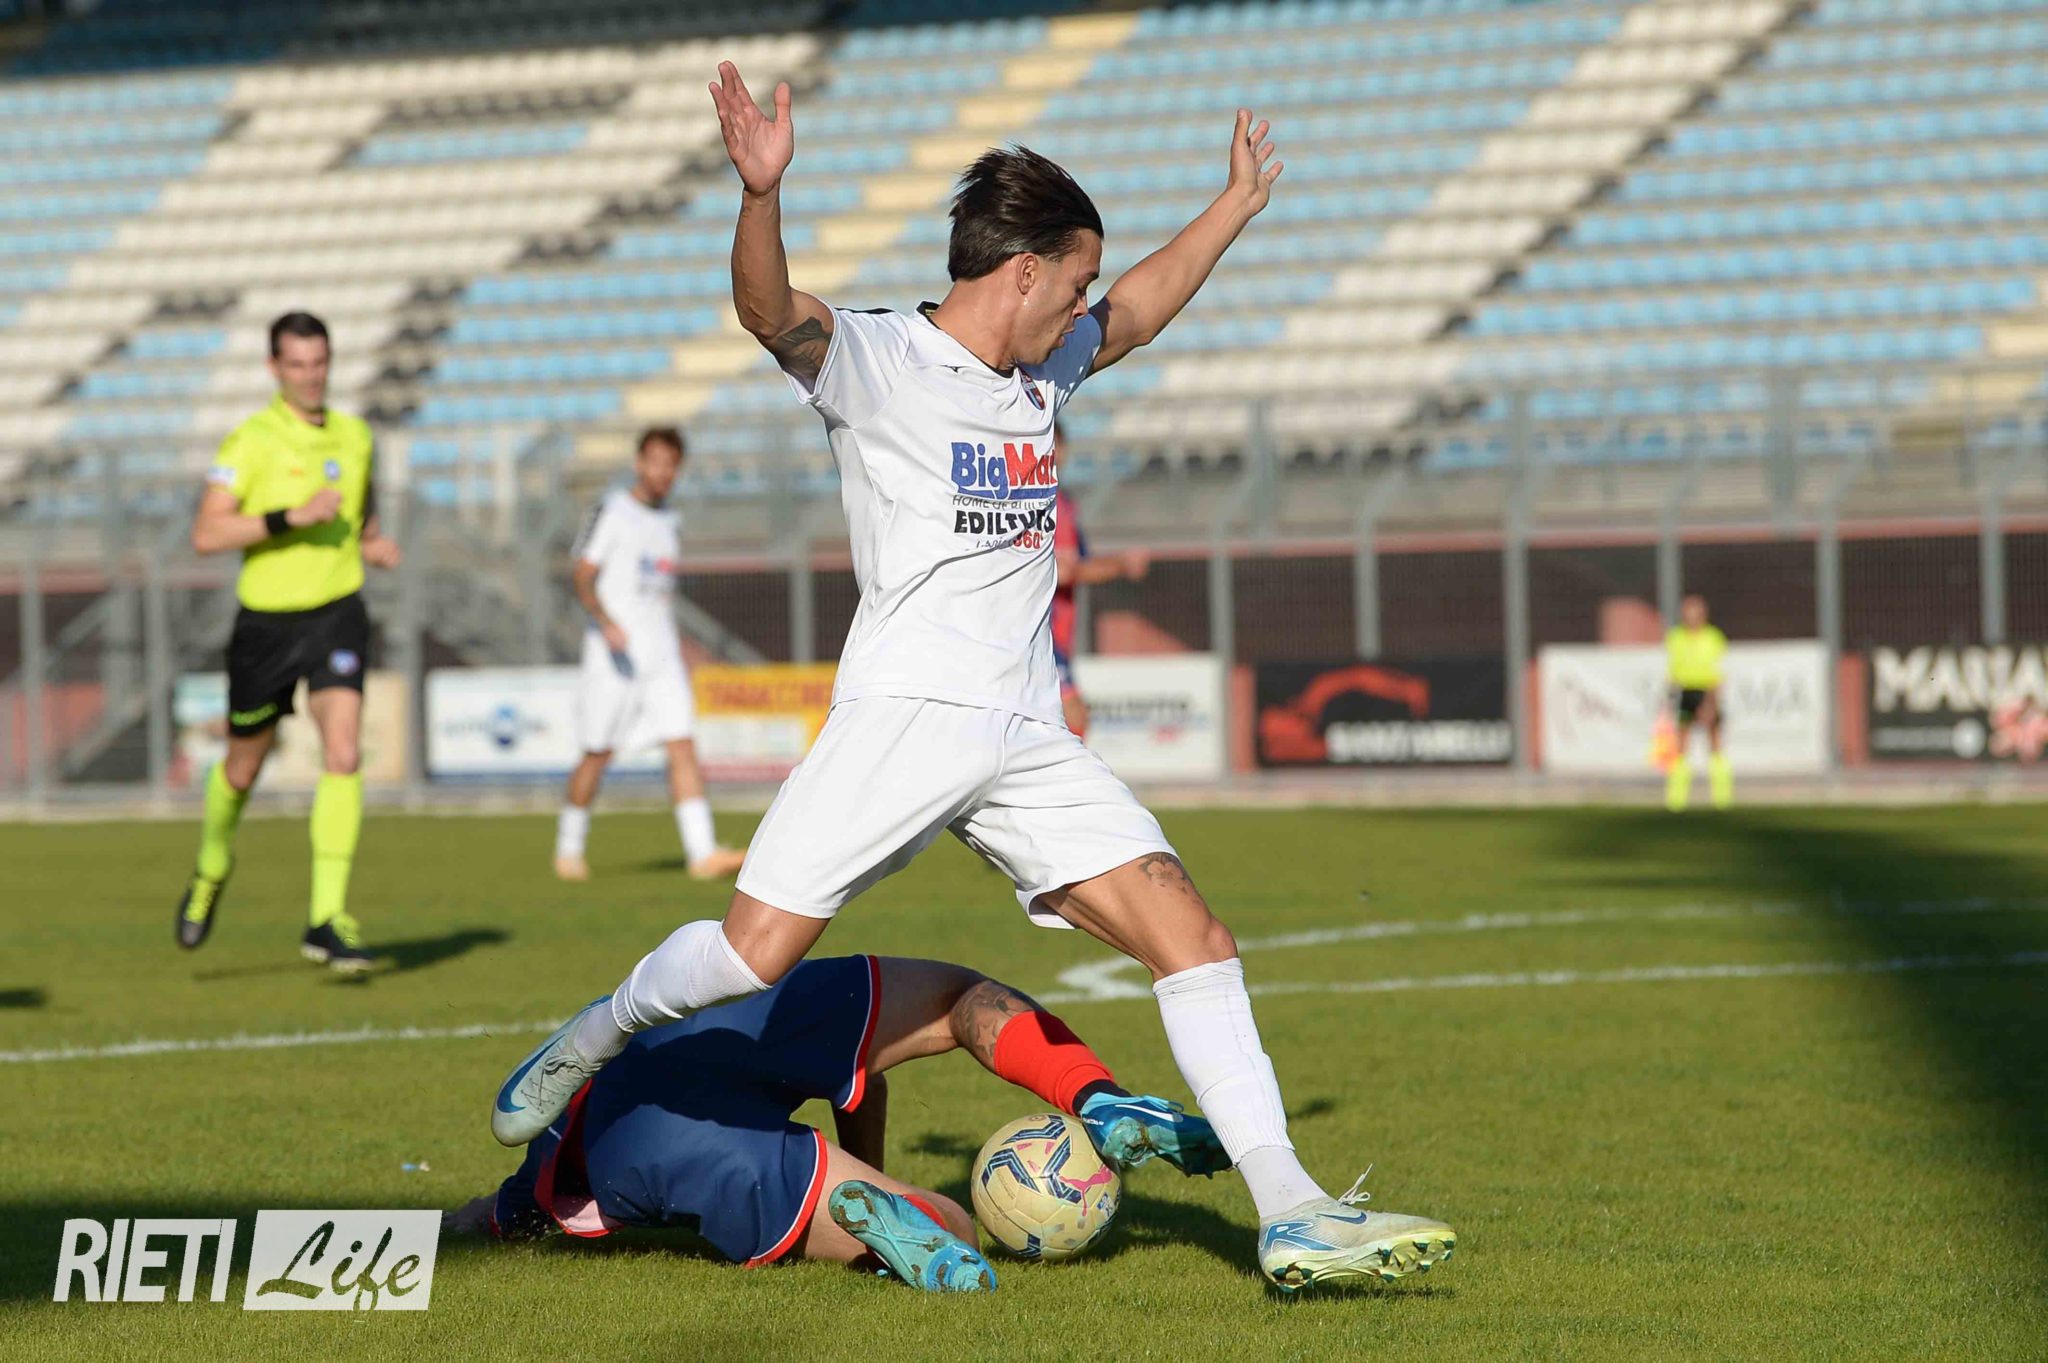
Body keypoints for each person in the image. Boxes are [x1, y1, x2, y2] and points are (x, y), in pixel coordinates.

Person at [493, 62, 1457, 1291]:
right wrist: (760, 194)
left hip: (1024, 732)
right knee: (747, 959)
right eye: (1075, 282)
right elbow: (768, 310)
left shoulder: (1041, 372)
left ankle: (1294, 1212)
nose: (1085, 306)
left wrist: (1232, 208)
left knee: (1193, 934)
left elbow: (1142, 310)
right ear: (1023, 273)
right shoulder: (881, 361)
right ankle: (595, 1031)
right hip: (902, 717)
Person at [457, 956, 1224, 1292]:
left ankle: (882, 1213)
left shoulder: (560, 1130)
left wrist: (461, 1223)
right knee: (961, 998)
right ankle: (1097, 1095)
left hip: (649, 1141)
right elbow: (865, 1084)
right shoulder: (685, 996)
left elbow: (501, 1213)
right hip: (731, 1017)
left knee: (943, 1225)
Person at [176, 312, 400, 973]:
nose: (310, 376)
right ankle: (212, 864)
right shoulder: (250, 441)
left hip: (337, 613)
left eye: (319, 362)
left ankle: (326, 918)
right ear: (274, 368)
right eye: (297, 364)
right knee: (242, 769)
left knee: (343, 749)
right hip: (266, 625)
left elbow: (363, 512)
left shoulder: (356, 436)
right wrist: (288, 517)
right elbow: (206, 534)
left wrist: (371, 542)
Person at [553, 426, 748, 882]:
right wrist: (605, 621)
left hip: (661, 657)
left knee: (682, 744)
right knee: (597, 752)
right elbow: (582, 574)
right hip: (614, 657)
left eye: (671, 464)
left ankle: (702, 853)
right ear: (639, 463)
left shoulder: (670, 522)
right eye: (655, 461)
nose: (662, 472)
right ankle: (568, 849)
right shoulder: (613, 510)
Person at [1050, 423, 1149, 737]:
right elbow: (1063, 572)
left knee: (1060, 720)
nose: (1054, 453)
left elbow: (1081, 563)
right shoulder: (1036, 504)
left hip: (1061, 632)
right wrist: (1121, 565)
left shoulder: (1065, 504)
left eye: (1058, 446)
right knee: (1074, 715)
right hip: (1040, 632)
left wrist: (1116, 564)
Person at [1665, 594, 1732, 812]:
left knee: (1715, 741)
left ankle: (1722, 797)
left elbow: (1718, 671)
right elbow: (1673, 671)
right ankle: (1677, 799)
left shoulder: (1713, 638)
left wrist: (1711, 702)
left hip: (1707, 692)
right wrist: (1669, 699)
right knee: (1681, 744)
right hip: (1686, 693)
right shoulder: (1676, 637)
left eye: (1695, 613)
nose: (1691, 618)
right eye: (1687, 613)